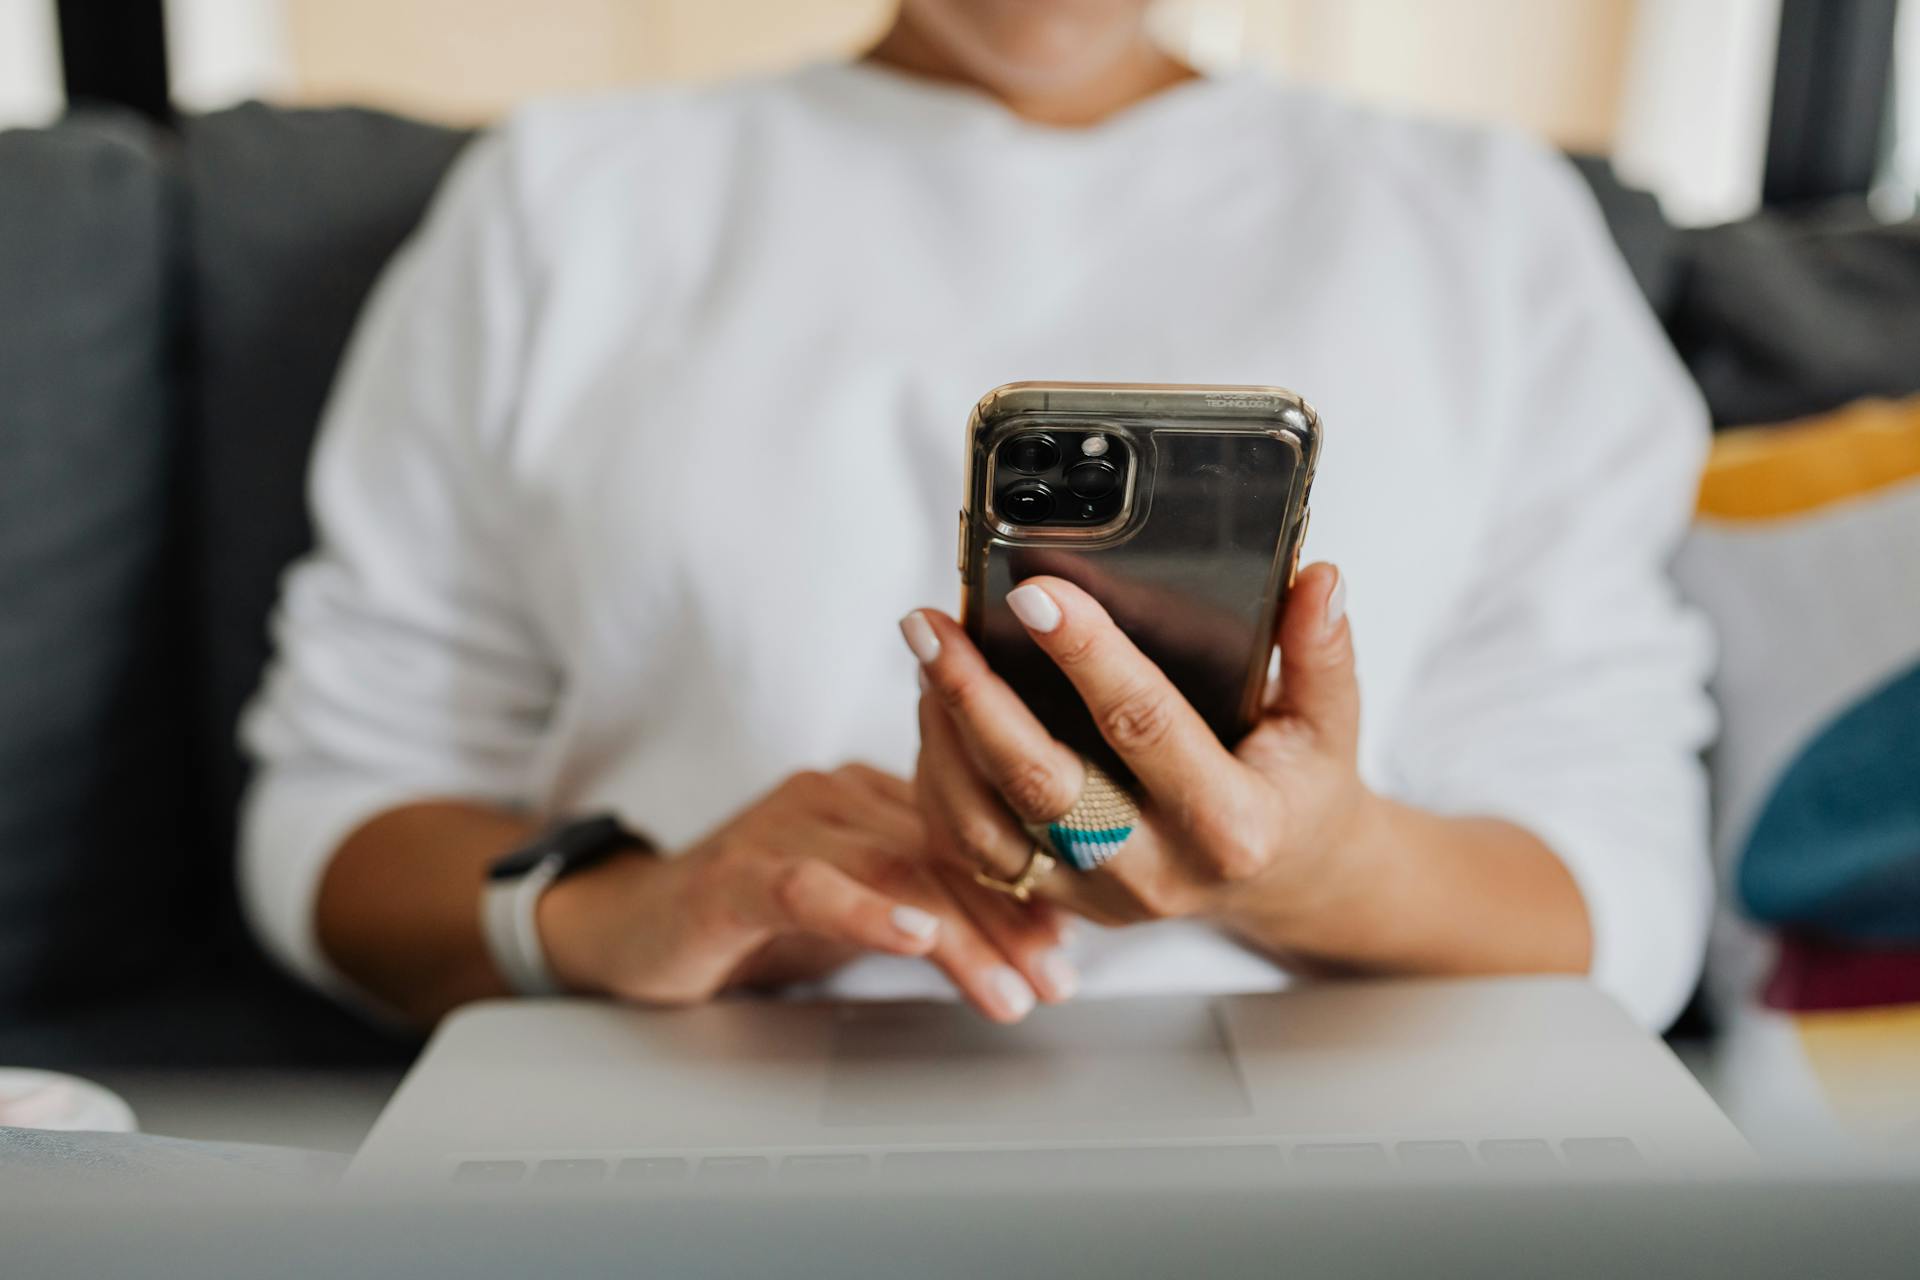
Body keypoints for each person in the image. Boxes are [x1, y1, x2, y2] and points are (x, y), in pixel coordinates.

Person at [240, 0, 1715, 1033]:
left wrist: (1325, 874)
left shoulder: (1480, 219)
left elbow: (1629, 901)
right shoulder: (563, 201)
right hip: (706, 1081)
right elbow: (331, 820)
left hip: (1322, 1100)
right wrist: (629, 916)